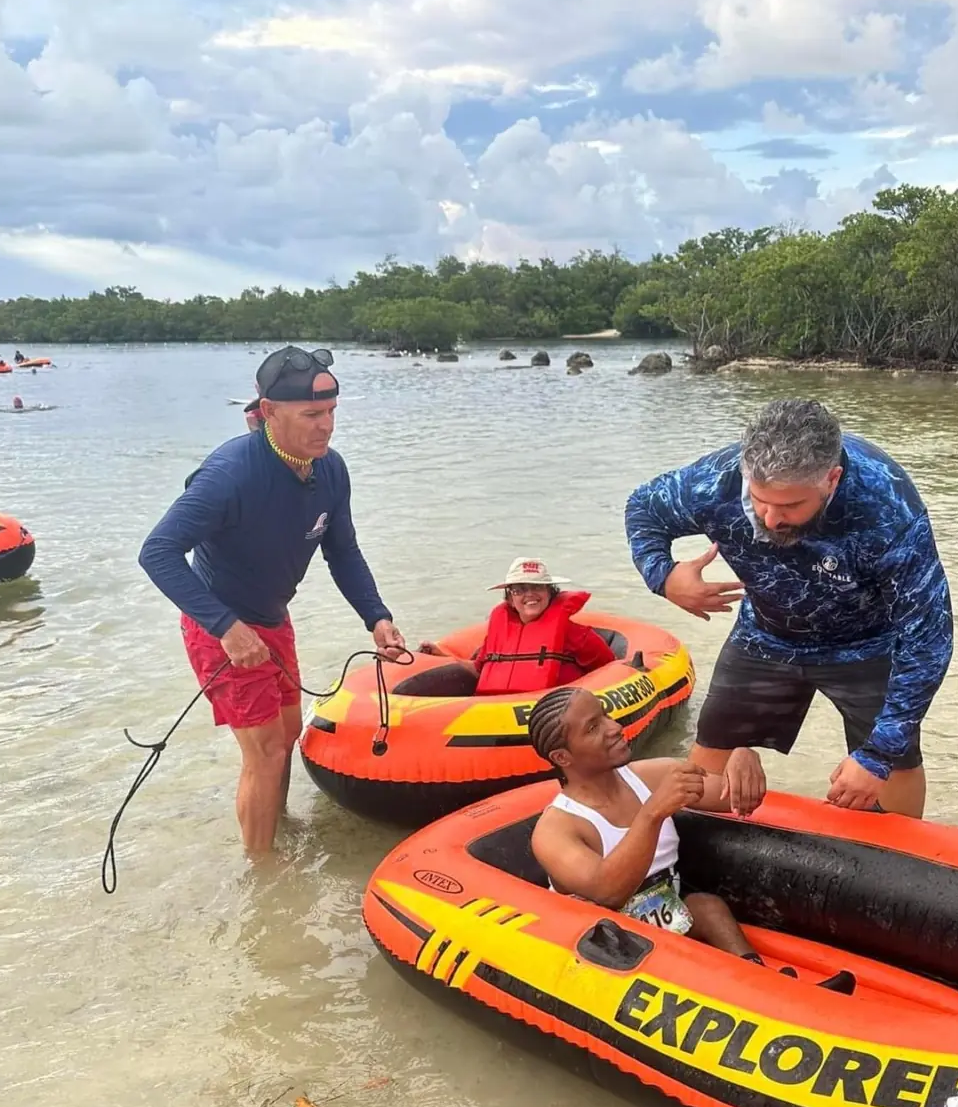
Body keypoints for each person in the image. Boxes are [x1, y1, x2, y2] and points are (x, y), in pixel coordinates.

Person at [625, 398, 952, 818]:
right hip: (765, 635)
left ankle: (905, 854)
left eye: (791, 506)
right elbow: (643, 508)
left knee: (896, 760)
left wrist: (877, 755)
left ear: (831, 479)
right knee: (708, 767)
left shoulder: (887, 507)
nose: (771, 519)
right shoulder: (715, 481)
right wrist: (664, 577)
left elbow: (928, 636)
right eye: (760, 500)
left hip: (866, 644)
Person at [139, 344, 404, 855]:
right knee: (262, 753)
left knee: (284, 740)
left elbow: (343, 550)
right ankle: (262, 876)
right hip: (220, 628)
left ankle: (275, 833)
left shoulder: (330, 469)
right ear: (268, 414)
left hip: (272, 620)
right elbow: (158, 552)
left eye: (330, 413)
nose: (326, 426)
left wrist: (377, 616)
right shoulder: (230, 474)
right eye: (311, 415)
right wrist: (226, 627)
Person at [526, 687, 854, 990]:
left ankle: (763, 982)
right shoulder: (557, 829)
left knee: (707, 907)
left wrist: (744, 758)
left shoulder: (651, 775)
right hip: (609, 948)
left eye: (606, 715)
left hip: (666, 914)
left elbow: (733, 798)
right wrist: (652, 813)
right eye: (593, 727)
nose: (614, 727)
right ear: (562, 758)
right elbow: (607, 892)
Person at [418, 557, 617, 694]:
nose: (529, 594)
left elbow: (610, 669)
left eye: (537, 587)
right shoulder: (498, 633)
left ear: (550, 593)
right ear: (510, 599)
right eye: (520, 589)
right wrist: (441, 655)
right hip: (493, 714)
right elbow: (480, 670)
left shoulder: (575, 634)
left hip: (551, 715)